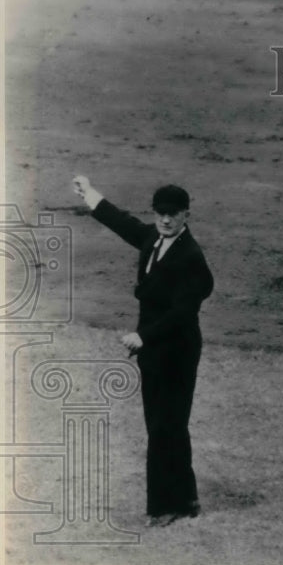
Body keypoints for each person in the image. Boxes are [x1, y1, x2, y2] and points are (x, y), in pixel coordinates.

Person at [73, 176, 214, 527]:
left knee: (166, 426)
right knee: (166, 425)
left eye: (173, 214)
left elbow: (183, 312)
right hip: (155, 350)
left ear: (186, 215)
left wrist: (143, 336)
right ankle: (186, 499)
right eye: (160, 213)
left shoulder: (191, 257)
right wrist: (90, 194)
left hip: (177, 352)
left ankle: (165, 507)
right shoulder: (153, 238)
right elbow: (123, 223)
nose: (165, 219)